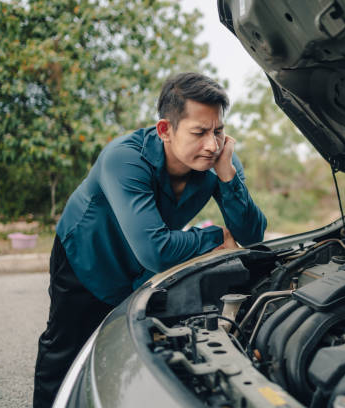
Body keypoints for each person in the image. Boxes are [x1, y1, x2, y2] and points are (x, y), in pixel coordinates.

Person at [33, 72, 267, 407]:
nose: (213, 144)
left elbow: (252, 235)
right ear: (165, 130)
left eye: (218, 130)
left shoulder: (218, 161)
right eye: (200, 132)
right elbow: (156, 250)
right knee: (65, 351)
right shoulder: (124, 159)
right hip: (88, 259)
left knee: (126, 351)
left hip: (143, 273)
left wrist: (229, 177)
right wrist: (216, 235)